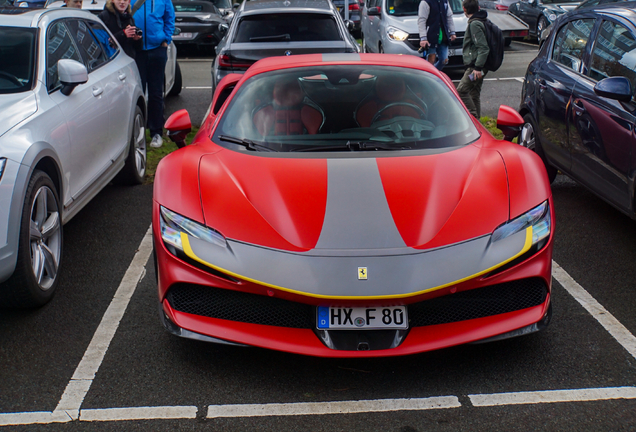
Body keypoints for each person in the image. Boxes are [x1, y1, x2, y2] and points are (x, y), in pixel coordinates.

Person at [131, 0, 175, 148]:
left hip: (157, 49)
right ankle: (138, 132)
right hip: (137, 51)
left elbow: (170, 18)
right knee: (138, 94)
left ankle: (156, 133)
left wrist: (166, 39)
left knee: (156, 93)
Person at [457, 0, 489, 119]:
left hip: (475, 67)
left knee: (461, 91)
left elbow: (483, 48)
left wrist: (477, 68)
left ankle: (473, 119)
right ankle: (478, 123)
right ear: (478, 7)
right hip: (481, 66)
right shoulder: (482, 20)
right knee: (474, 94)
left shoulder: (474, 24)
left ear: (464, 9)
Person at [418, 0, 455, 70]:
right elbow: (422, 20)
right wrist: (423, 37)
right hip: (431, 36)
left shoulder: (445, 1)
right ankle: (429, 75)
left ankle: (432, 74)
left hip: (443, 36)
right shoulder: (426, 2)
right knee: (431, 59)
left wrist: (452, 31)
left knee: (444, 60)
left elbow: (449, 17)